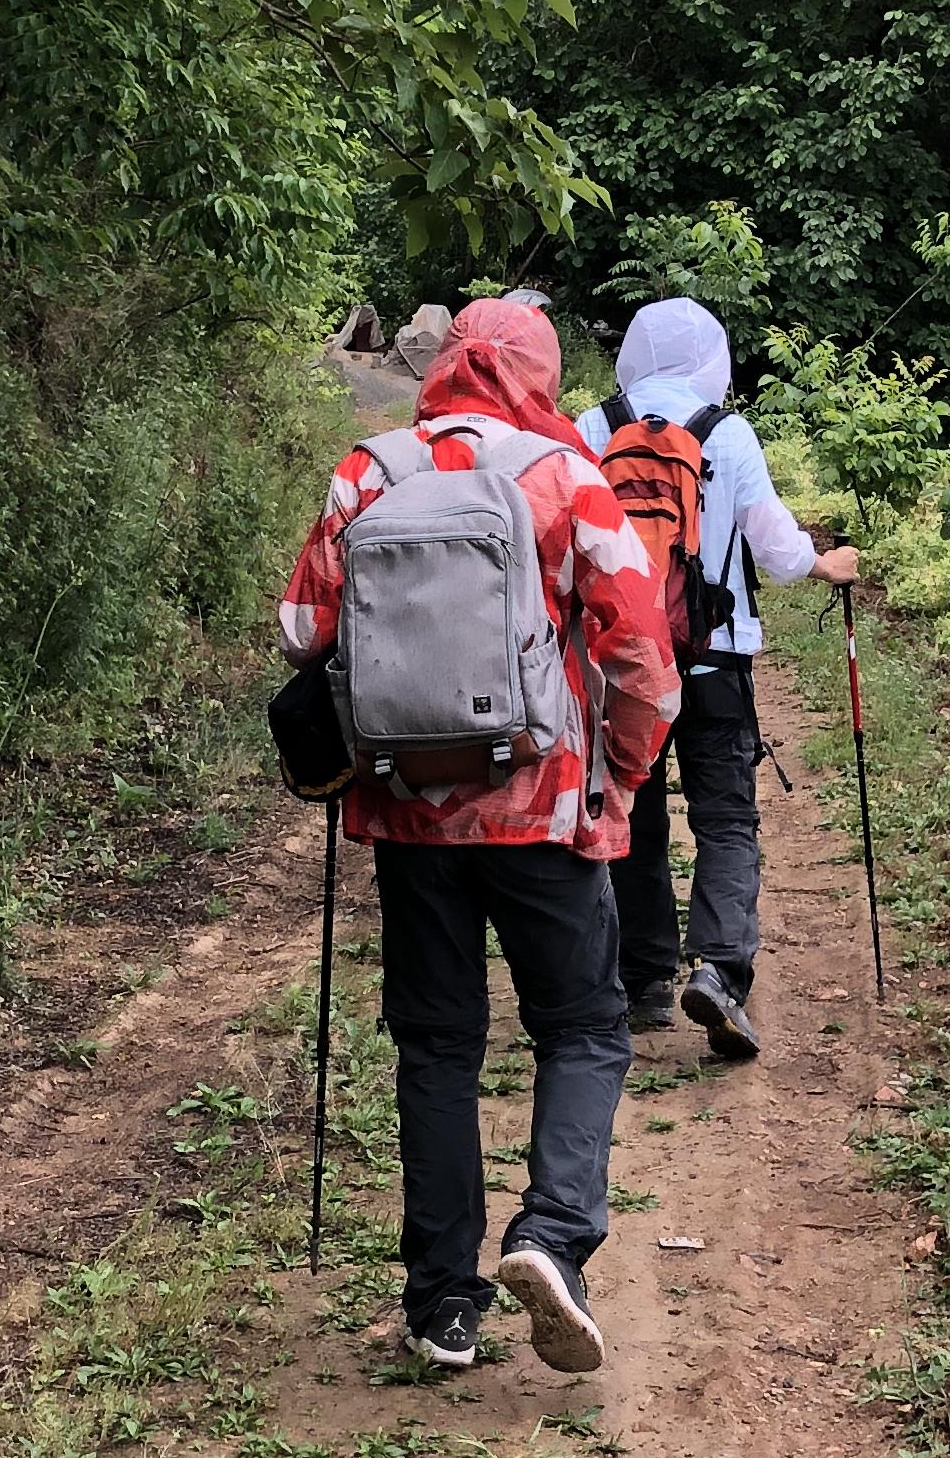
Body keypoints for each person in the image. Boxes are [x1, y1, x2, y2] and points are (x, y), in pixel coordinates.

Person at [278, 299, 678, 1378]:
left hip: (409, 811)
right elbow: (640, 650)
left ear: (444, 369)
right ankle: (551, 1235)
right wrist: (624, 781)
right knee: (584, 1028)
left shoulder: (370, 474)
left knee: (440, 1047)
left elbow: (304, 631)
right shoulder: (563, 478)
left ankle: (442, 1305)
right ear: (540, 380)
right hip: (543, 808)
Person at [579, 295, 858, 1065]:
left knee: (632, 818)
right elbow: (771, 543)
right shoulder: (727, 433)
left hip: (622, 665)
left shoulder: (592, 428)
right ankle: (720, 969)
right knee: (727, 819)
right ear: (714, 359)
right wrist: (822, 562)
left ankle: (640, 984)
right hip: (716, 661)